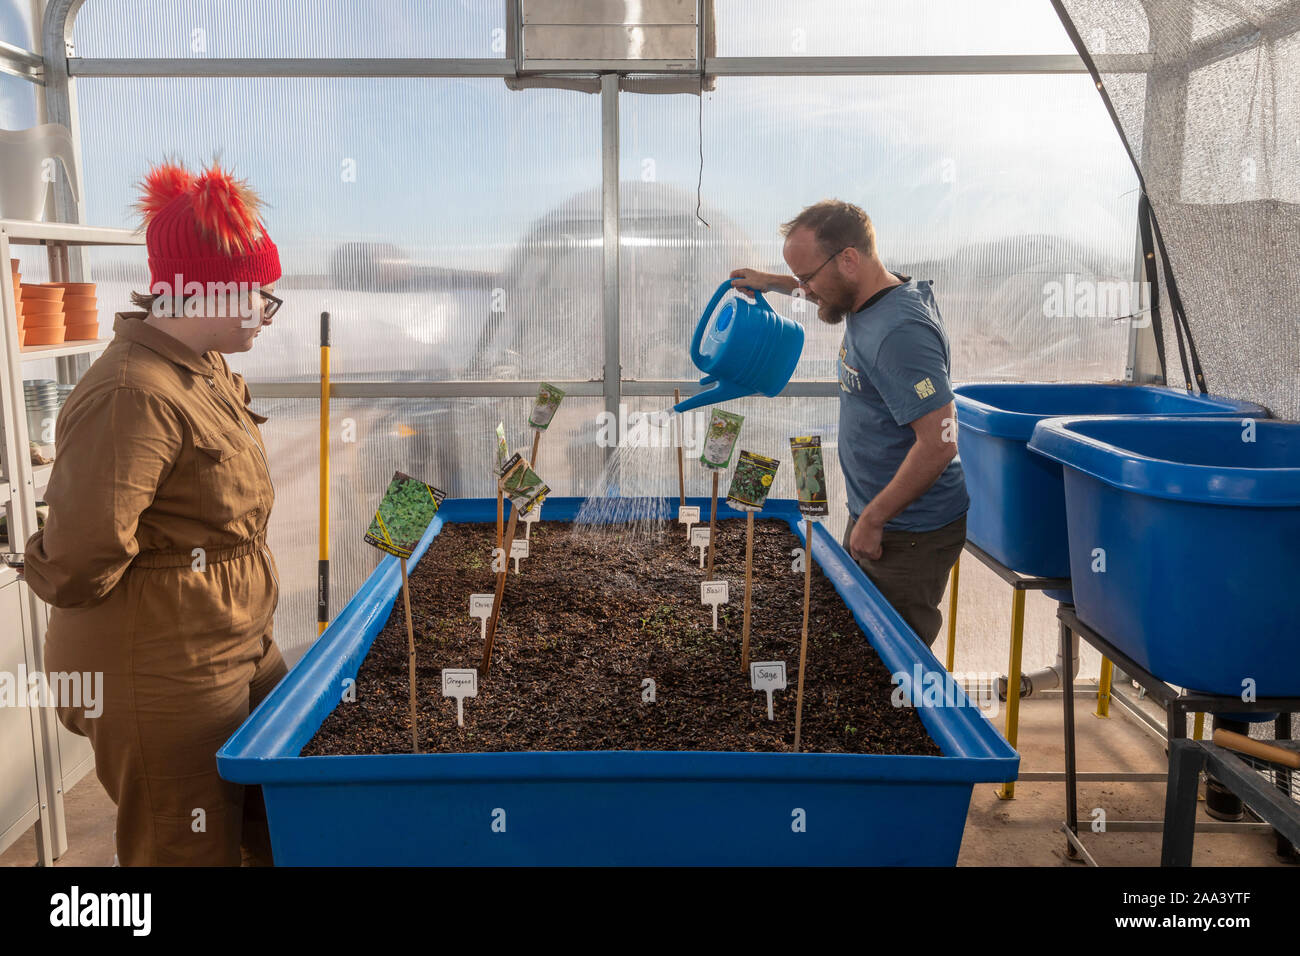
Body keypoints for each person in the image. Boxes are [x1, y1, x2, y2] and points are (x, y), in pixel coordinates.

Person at [21, 159, 286, 865]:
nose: (267, 308)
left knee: (275, 820)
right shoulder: (133, 393)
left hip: (233, 639)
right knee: (185, 847)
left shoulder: (207, 372)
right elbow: (80, 560)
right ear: (211, 292)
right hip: (162, 664)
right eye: (261, 293)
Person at [730, 199, 968, 646]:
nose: (805, 290)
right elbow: (825, 286)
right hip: (883, 517)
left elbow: (940, 441)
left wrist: (875, 520)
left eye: (807, 278)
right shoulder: (870, 295)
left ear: (849, 259)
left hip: (909, 531)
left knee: (892, 658)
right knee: (858, 640)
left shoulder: (899, 334)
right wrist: (773, 283)